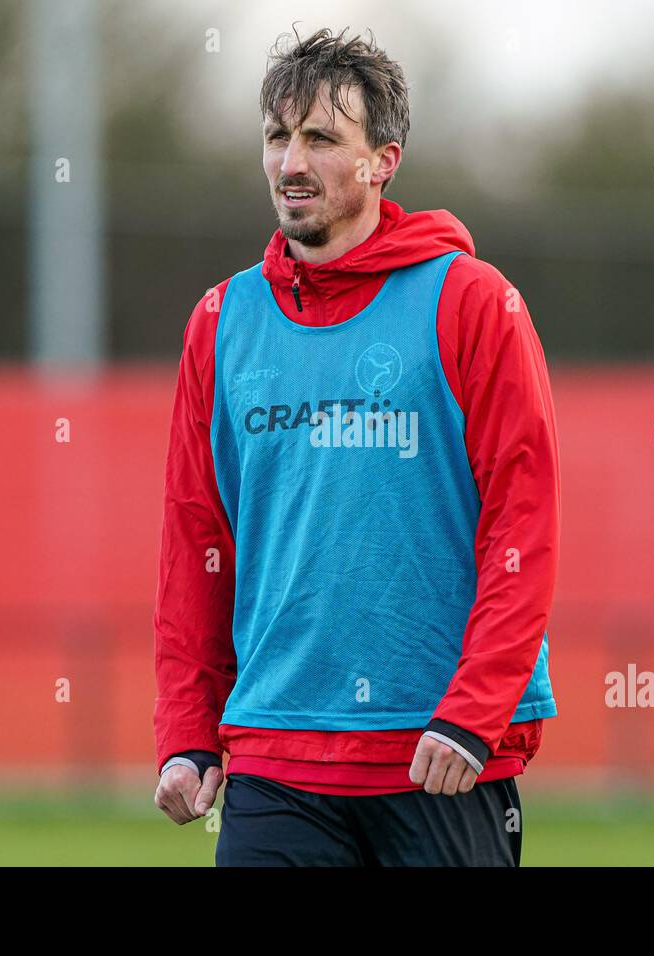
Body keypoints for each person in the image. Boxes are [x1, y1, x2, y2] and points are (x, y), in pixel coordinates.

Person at [152, 25, 559, 866]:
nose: (290, 162)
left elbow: (523, 527)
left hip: (439, 756)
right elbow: (198, 543)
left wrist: (472, 714)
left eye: (321, 139)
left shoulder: (473, 304)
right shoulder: (222, 323)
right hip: (274, 756)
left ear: (384, 160)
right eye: (277, 136)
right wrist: (189, 731)